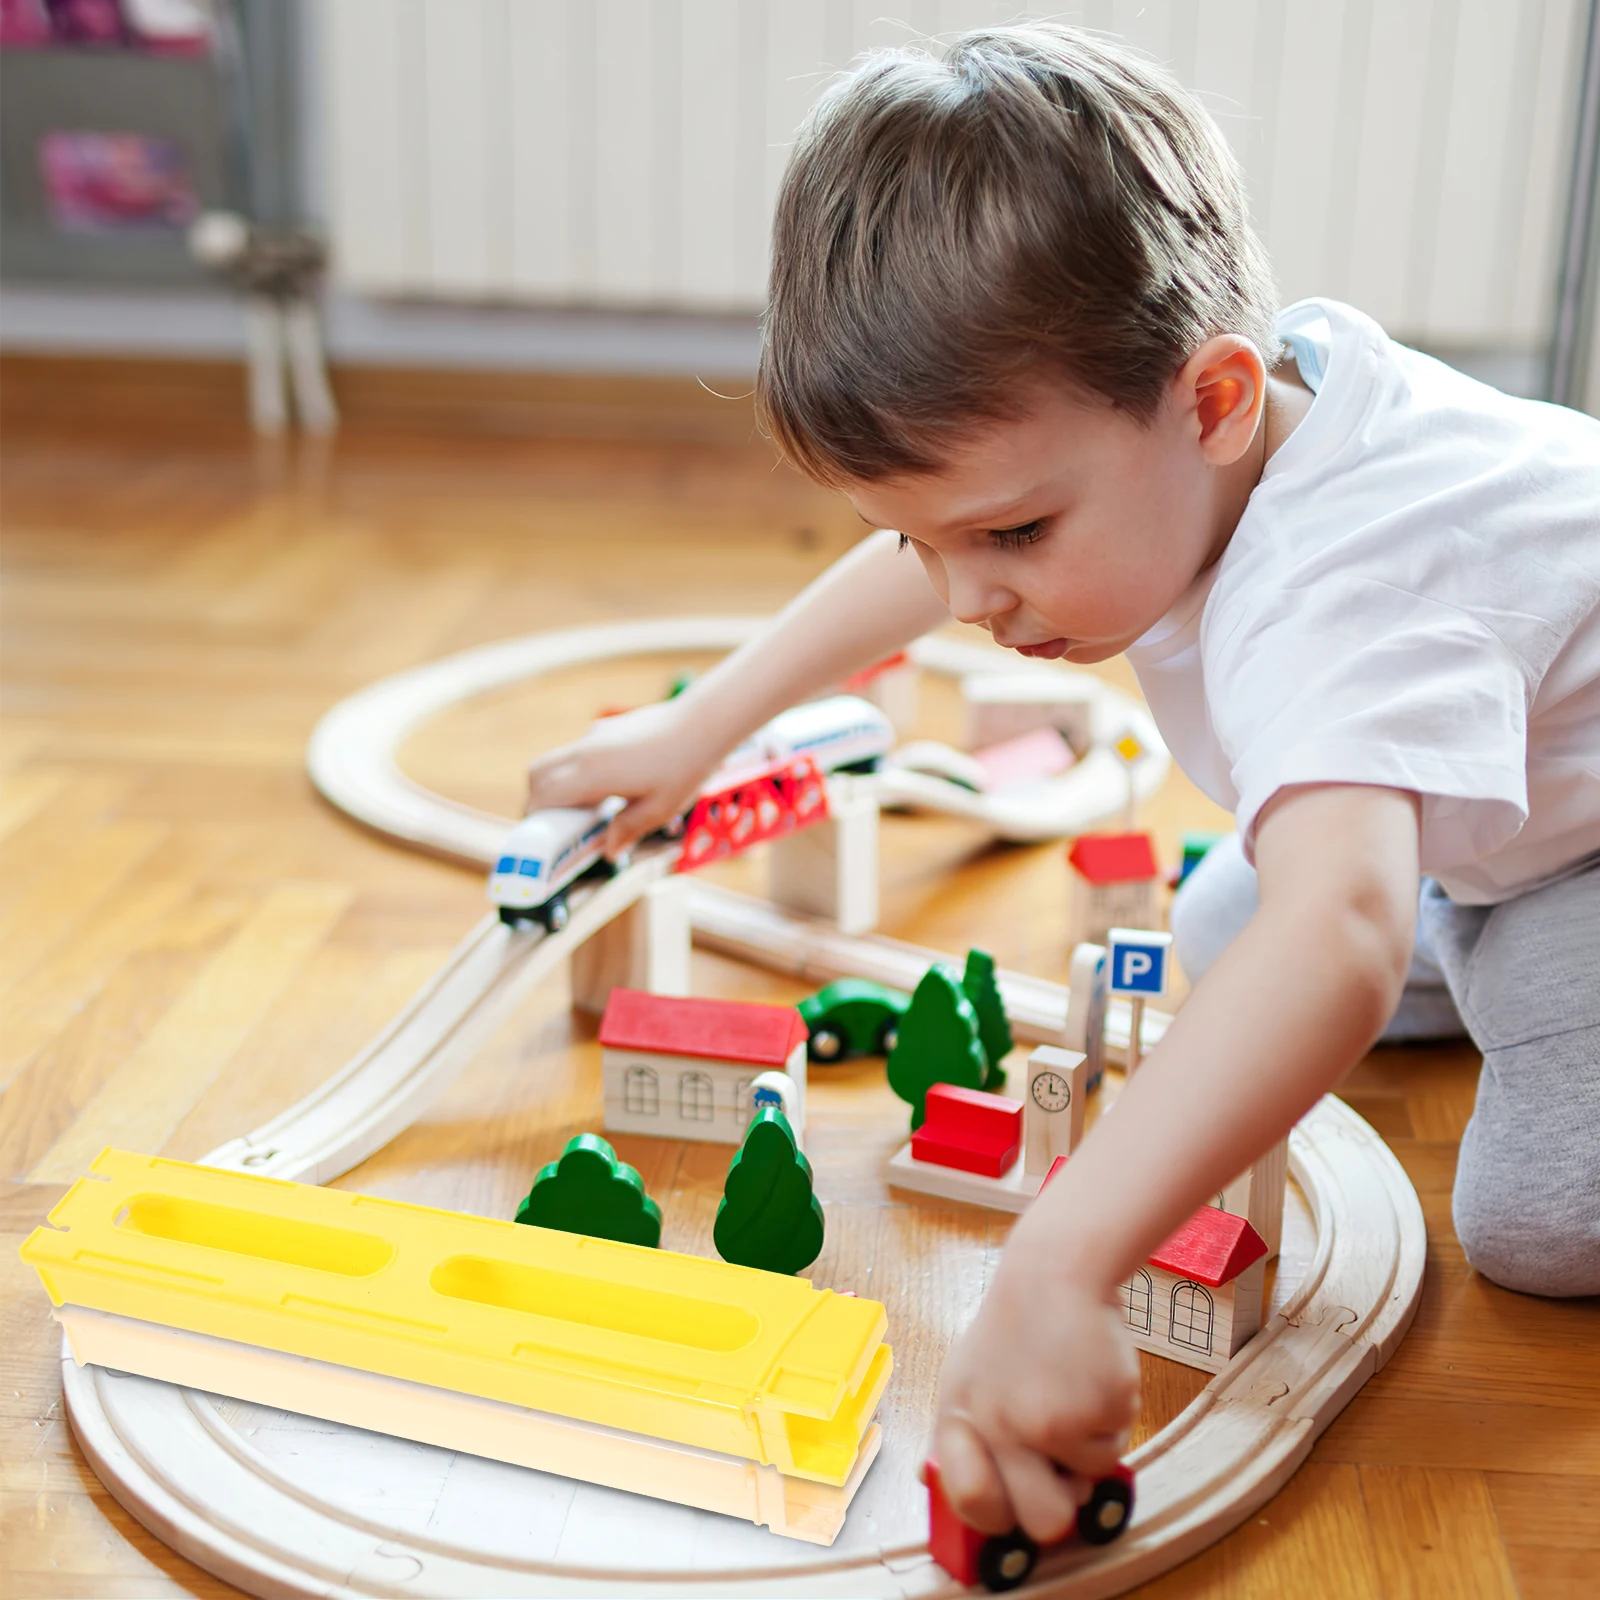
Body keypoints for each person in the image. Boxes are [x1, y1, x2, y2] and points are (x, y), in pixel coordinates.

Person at [526, 24, 1600, 1549]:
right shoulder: (1201, 428)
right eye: (936, 541)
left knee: (1542, 1223)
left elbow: (1345, 941)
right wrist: (701, 733)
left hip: (1576, 863)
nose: (972, 597)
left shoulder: (1348, 581)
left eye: (1017, 540)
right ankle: (1470, 933)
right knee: (1227, 956)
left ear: (1216, 401)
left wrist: (1062, 1264)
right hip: (1474, 839)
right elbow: (914, 563)